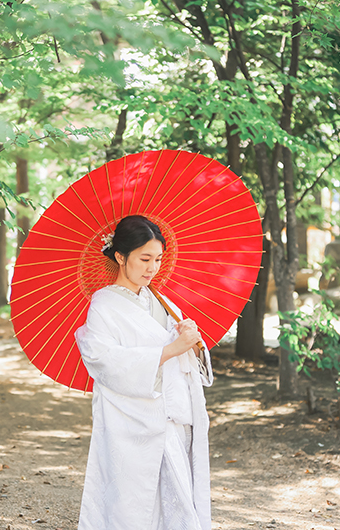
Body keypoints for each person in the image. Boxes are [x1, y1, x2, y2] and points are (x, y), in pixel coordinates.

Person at [74, 215, 213, 530]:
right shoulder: (103, 306)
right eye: (145, 259)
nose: (153, 268)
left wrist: (194, 345)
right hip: (132, 424)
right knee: (133, 509)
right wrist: (171, 349)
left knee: (180, 507)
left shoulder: (164, 303)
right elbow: (104, 361)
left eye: (158, 259)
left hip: (176, 420)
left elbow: (189, 363)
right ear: (121, 257)